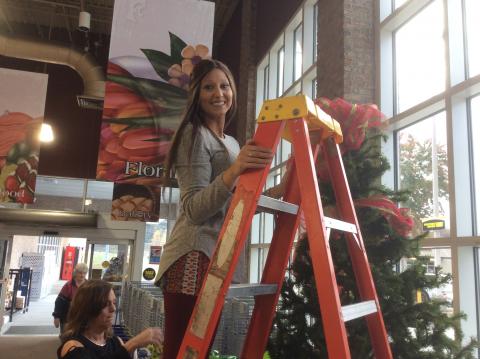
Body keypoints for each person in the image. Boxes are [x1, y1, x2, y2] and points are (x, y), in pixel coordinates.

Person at [154, 58, 277, 358]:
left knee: (202, 350)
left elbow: (237, 206)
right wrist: (235, 170)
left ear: (233, 90)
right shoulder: (194, 135)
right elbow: (194, 208)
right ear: (196, 94)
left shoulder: (232, 143)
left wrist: (281, 189)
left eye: (224, 85)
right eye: (208, 87)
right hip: (192, 256)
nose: (218, 93)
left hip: (219, 257)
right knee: (182, 352)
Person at [57, 280, 163, 359]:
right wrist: (132, 344)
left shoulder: (116, 342)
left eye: (114, 303)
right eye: (106, 304)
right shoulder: (73, 346)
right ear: (88, 309)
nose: (113, 309)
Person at [53, 262, 88, 333]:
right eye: (80, 273)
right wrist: (56, 317)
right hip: (67, 317)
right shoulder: (68, 286)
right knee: (66, 337)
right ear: (75, 273)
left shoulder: (89, 286)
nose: (82, 275)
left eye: (84, 273)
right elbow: (59, 301)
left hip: (83, 318)